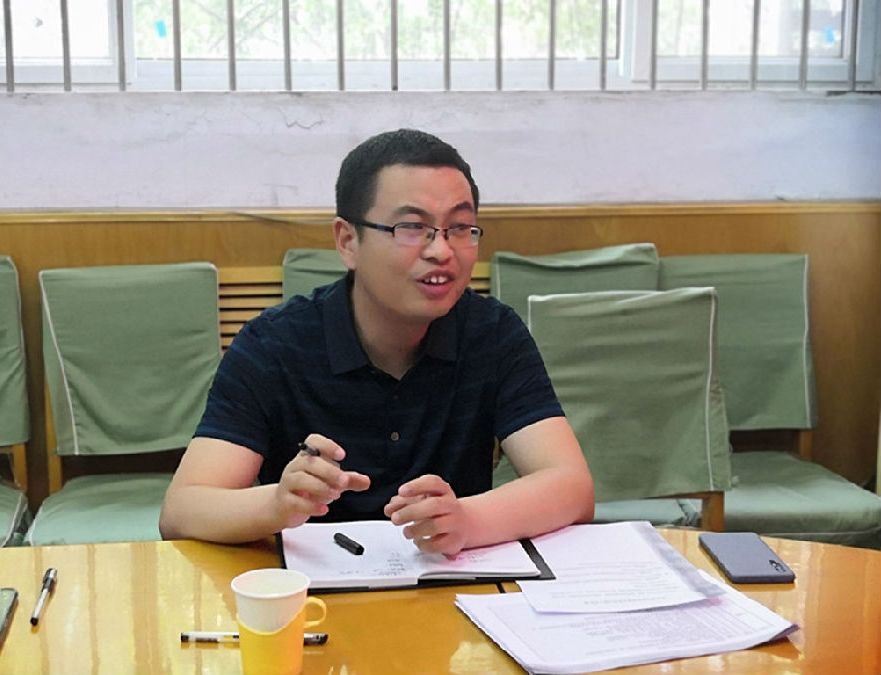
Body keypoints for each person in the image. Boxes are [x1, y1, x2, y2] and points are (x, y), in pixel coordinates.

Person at [159, 128, 594, 555]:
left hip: (451, 579)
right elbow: (182, 510)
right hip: (312, 588)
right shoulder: (273, 345)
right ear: (348, 241)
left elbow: (572, 487)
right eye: (412, 227)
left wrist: (466, 520)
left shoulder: (493, 333)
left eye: (460, 227)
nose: (442, 251)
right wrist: (276, 504)